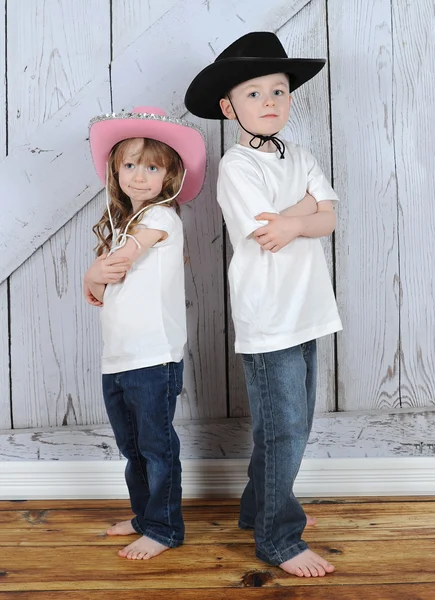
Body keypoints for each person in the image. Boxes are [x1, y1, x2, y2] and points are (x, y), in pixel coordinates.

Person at [185, 32, 342, 577]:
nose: (270, 101)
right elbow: (266, 234)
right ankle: (279, 538)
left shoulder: (301, 154)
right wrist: (304, 212)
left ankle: (258, 509)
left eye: (279, 89)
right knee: (284, 428)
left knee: (294, 423)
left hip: (308, 310)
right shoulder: (237, 165)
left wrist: (297, 217)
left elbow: (328, 218)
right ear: (229, 108)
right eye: (254, 93)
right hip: (270, 315)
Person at [84, 106, 206, 560]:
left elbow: (118, 265)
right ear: (116, 170)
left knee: (156, 447)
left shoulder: (160, 219)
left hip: (152, 357)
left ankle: (164, 529)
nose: (139, 176)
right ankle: (144, 516)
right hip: (118, 357)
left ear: (168, 175)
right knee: (132, 447)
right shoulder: (123, 225)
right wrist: (97, 274)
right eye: (130, 164)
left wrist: (91, 275)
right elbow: (113, 266)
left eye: (151, 166)